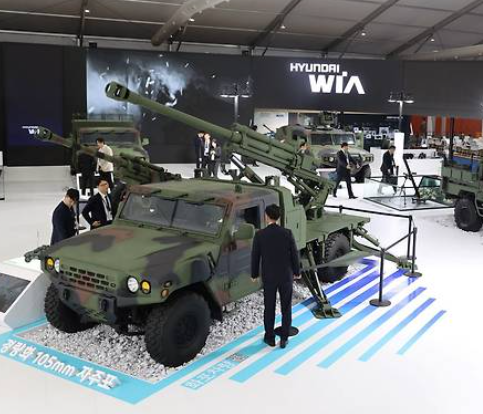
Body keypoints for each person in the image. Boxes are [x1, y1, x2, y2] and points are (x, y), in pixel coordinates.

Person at [251, 205, 300, 349]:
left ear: (266, 216)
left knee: (269, 307)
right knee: (286, 307)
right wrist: (296, 271)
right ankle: (284, 338)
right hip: (285, 276)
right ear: (278, 217)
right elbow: (294, 254)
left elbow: (255, 256)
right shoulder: (287, 233)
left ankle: (270, 338)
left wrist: (254, 274)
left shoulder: (260, 235)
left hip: (269, 277)